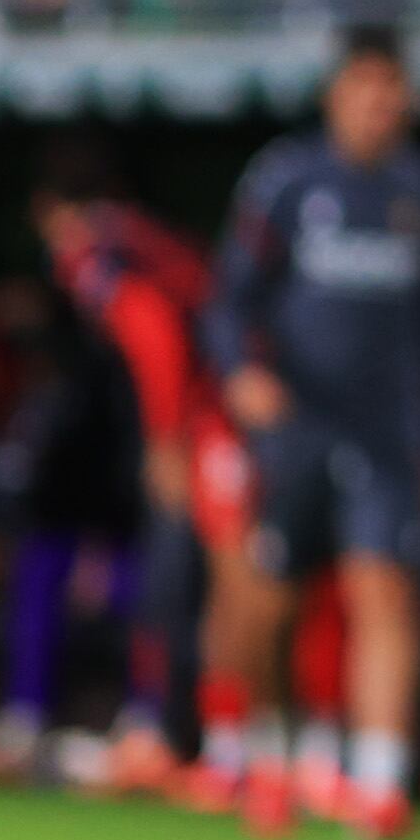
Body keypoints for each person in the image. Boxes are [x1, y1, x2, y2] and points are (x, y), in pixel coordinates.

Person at [207, 31, 420, 840]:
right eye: (365, 89)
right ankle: (267, 759)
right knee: (270, 598)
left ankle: (380, 782)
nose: (378, 105)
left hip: (388, 430)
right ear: (336, 95)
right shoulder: (287, 182)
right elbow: (230, 301)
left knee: (383, 590)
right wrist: (242, 373)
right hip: (298, 422)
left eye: (392, 91)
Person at [27, 141, 268, 806]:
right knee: (192, 573)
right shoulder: (138, 235)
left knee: (212, 576)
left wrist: (165, 437)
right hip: (225, 411)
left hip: (215, 418)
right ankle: (190, 738)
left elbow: (155, 331)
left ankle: (192, 741)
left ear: (50, 210)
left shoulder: (91, 251)